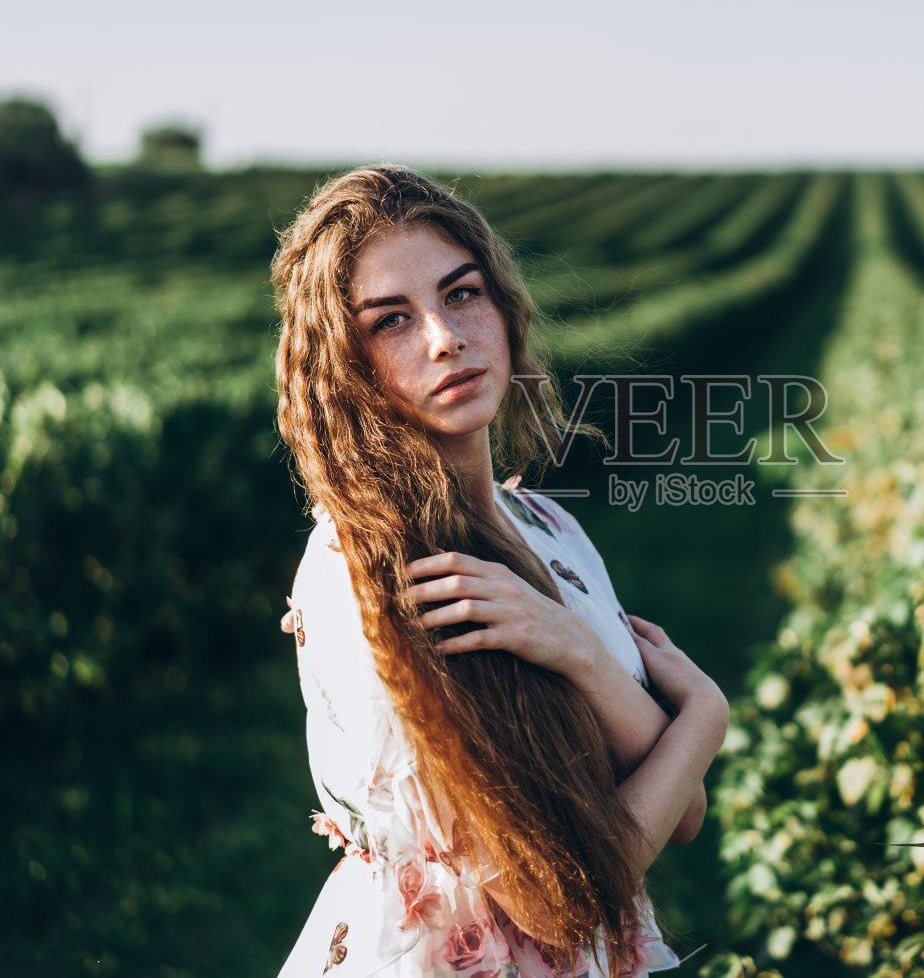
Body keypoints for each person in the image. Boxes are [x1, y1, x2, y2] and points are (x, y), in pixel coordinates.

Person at [269, 165, 729, 978]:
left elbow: (679, 809)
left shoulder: (550, 529)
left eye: (462, 294)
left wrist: (574, 647)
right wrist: (704, 713)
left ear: (504, 309)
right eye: (391, 321)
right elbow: (559, 903)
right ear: (347, 367)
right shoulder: (372, 570)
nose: (445, 337)